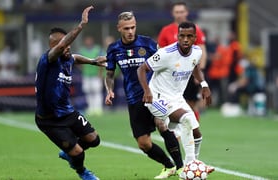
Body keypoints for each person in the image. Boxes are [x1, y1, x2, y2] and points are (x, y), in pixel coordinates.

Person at [105, 11, 184, 179]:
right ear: (119, 28)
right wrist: (109, 90)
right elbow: (110, 74)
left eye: (133, 27)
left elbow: (165, 64)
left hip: (155, 94)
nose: (130, 31)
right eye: (126, 28)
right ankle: (168, 165)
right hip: (134, 99)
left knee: (162, 124)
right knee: (143, 143)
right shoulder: (113, 49)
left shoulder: (148, 44)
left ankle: (181, 167)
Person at [35, 6, 106, 180]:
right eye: (62, 45)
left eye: (68, 44)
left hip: (67, 112)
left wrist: (93, 62)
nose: (66, 47)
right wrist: (81, 25)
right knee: (78, 153)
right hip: (49, 120)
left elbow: (76, 57)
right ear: (54, 47)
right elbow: (61, 47)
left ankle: (68, 153)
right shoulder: (48, 60)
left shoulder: (68, 58)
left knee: (94, 140)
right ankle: (83, 172)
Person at [137, 22, 212, 177]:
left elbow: (195, 66)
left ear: (195, 38)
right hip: (156, 98)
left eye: (189, 36)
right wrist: (147, 91)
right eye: (182, 36)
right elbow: (141, 69)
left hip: (176, 97)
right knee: (186, 120)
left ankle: (194, 164)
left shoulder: (197, 52)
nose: (185, 39)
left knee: (196, 132)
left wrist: (204, 84)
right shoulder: (166, 53)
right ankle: (188, 167)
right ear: (177, 36)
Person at [157, 1, 208, 163]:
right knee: (174, 107)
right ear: (173, 14)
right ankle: (179, 133)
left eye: (182, 11)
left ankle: (190, 133)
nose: (179, 14)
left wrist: (199, 74)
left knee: (191, 106)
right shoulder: (166, 31)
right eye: (177, 12)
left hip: (189, 75)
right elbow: (160, 53)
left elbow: (201, 51)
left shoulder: (196, 30)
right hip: (171, 79)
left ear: (186, 13)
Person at [79, 35, 104, 116]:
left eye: (89, 40)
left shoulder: (97, 49)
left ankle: (98, 109)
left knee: (97, 91)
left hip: (95, 75)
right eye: (87, 40)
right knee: (88, 92)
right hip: (86, 75)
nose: (88, 42)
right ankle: (91, 108)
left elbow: (102, 61)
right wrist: (82, 69)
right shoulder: (82, 51)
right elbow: (77, 61)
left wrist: (100, 73)